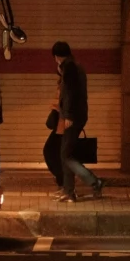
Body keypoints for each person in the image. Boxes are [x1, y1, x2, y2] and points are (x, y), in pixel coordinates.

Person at [52, 40, 102, 200]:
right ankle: (69, 191)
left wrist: (68, 116)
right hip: (76, 115)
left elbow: (71, 94)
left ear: (56, 56)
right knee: (64, 153)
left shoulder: (70, 68)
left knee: (65, 155)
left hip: (73, 117)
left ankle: (94, 182)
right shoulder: (72, 66)